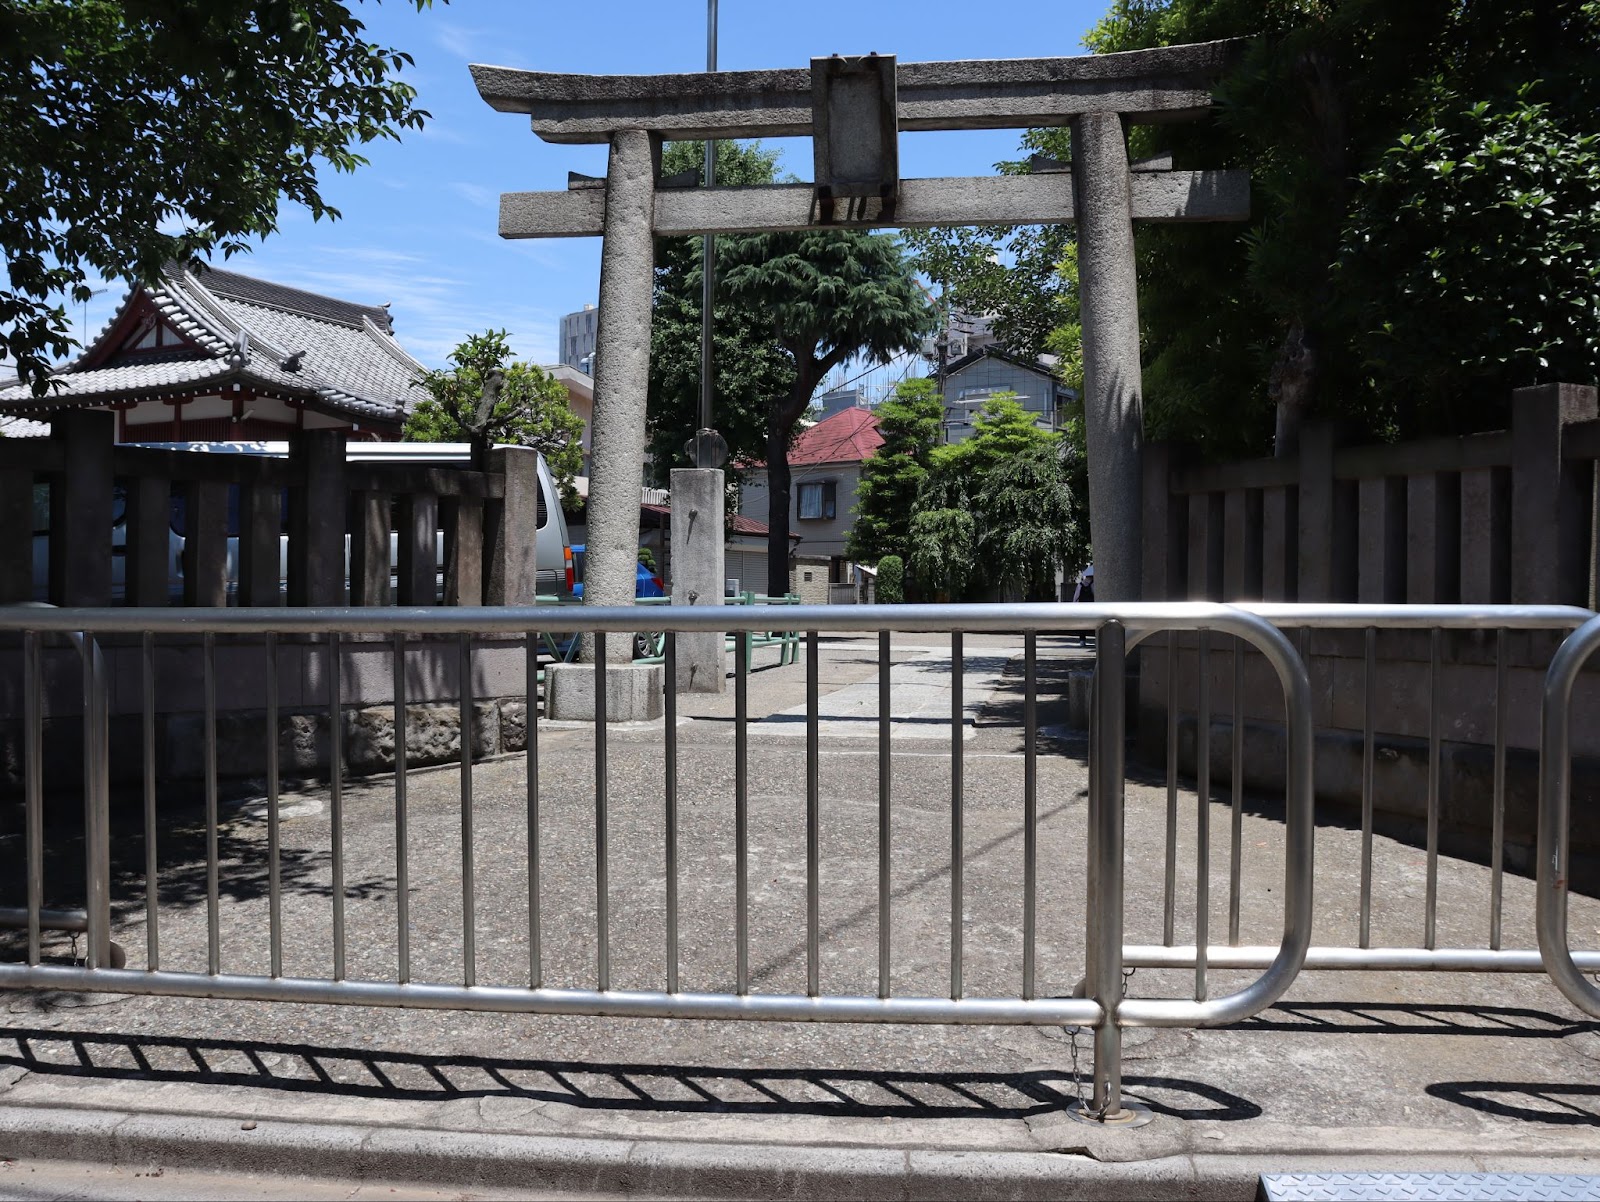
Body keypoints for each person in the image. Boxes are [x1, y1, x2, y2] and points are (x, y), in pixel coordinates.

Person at [1072, 563, 1095, 647]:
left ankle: (1082, 640)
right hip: (1091, 606)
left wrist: (1074, 604)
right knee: (1094, 622)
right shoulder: (1093, 584)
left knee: (1082, 623)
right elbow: (1094, 594)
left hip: (1082, 606)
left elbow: (1076, 596)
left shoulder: (1080, 584)